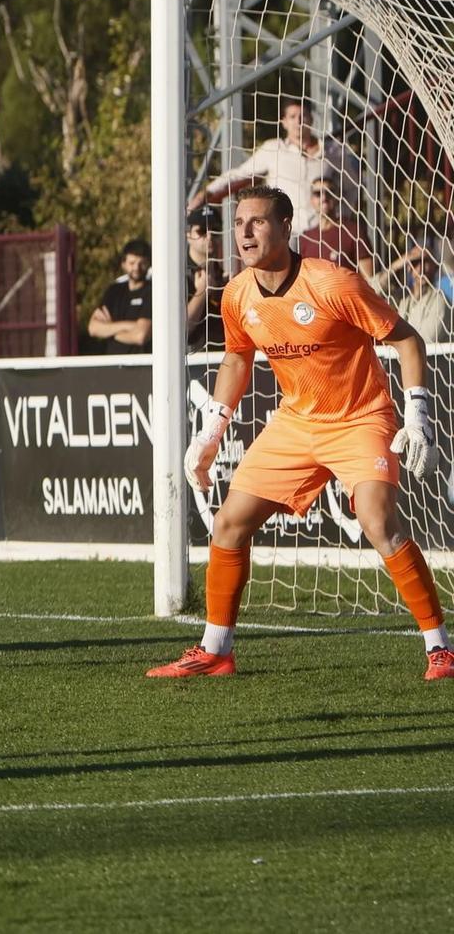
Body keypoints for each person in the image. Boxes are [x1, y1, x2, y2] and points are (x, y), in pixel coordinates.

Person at [157, 186, 448, 679]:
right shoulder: (236, 293)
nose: (244, 232)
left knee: (377, 521)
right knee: (229, 523)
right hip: (296, 422)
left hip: (360, 417)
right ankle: (216, 650)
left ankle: (440, 649)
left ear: (286, 226)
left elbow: (407, 339)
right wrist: (211, 431)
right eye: (239, 222)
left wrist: (417, 414)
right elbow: (237, 357)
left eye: (257, 221)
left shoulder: (333, 283)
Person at [189, 100, 362, 238]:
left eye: (303, 116)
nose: (299, 122)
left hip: (324, 233)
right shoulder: (273, 149)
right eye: (293, 117)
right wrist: (207, 192)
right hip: (288, 235)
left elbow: (352, 185)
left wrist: (341, 214)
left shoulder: (332, 151)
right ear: (284, 122)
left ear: (312, 119)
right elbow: (238, 174)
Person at [370, 235, 450, 345]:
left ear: (435, 266)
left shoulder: (440, 300)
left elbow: (428, 339)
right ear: (408, 267)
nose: (421, 268)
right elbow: (370, 294)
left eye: (425, 261)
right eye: (415, 262)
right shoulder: (402, 297)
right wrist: (395, 266)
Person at [296, 177, 373, 277]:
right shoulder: (306, 238)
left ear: (337, 197)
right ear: (312, 200)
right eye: (318, 194)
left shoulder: (353, 231)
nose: (324, 197)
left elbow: (369, 279)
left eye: (329, 192)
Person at [87, 239, 152, 355]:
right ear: (124, 264)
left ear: (149, 264)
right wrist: (131, 326)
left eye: (142, 263)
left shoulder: (152, 291)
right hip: (113, 364)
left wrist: (109, 331)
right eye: (132, 263)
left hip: (141, 365)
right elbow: (93, 328)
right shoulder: (114, 291)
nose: (136, 268)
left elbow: (140, 336)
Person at [184, 207, 228, 350]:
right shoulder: (176, 277)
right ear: (188, 235)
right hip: (192, 367)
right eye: (202, 231)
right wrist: (202, 290)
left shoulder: (224, 275)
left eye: (215, 230)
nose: (209, 237)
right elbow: (180, 331)